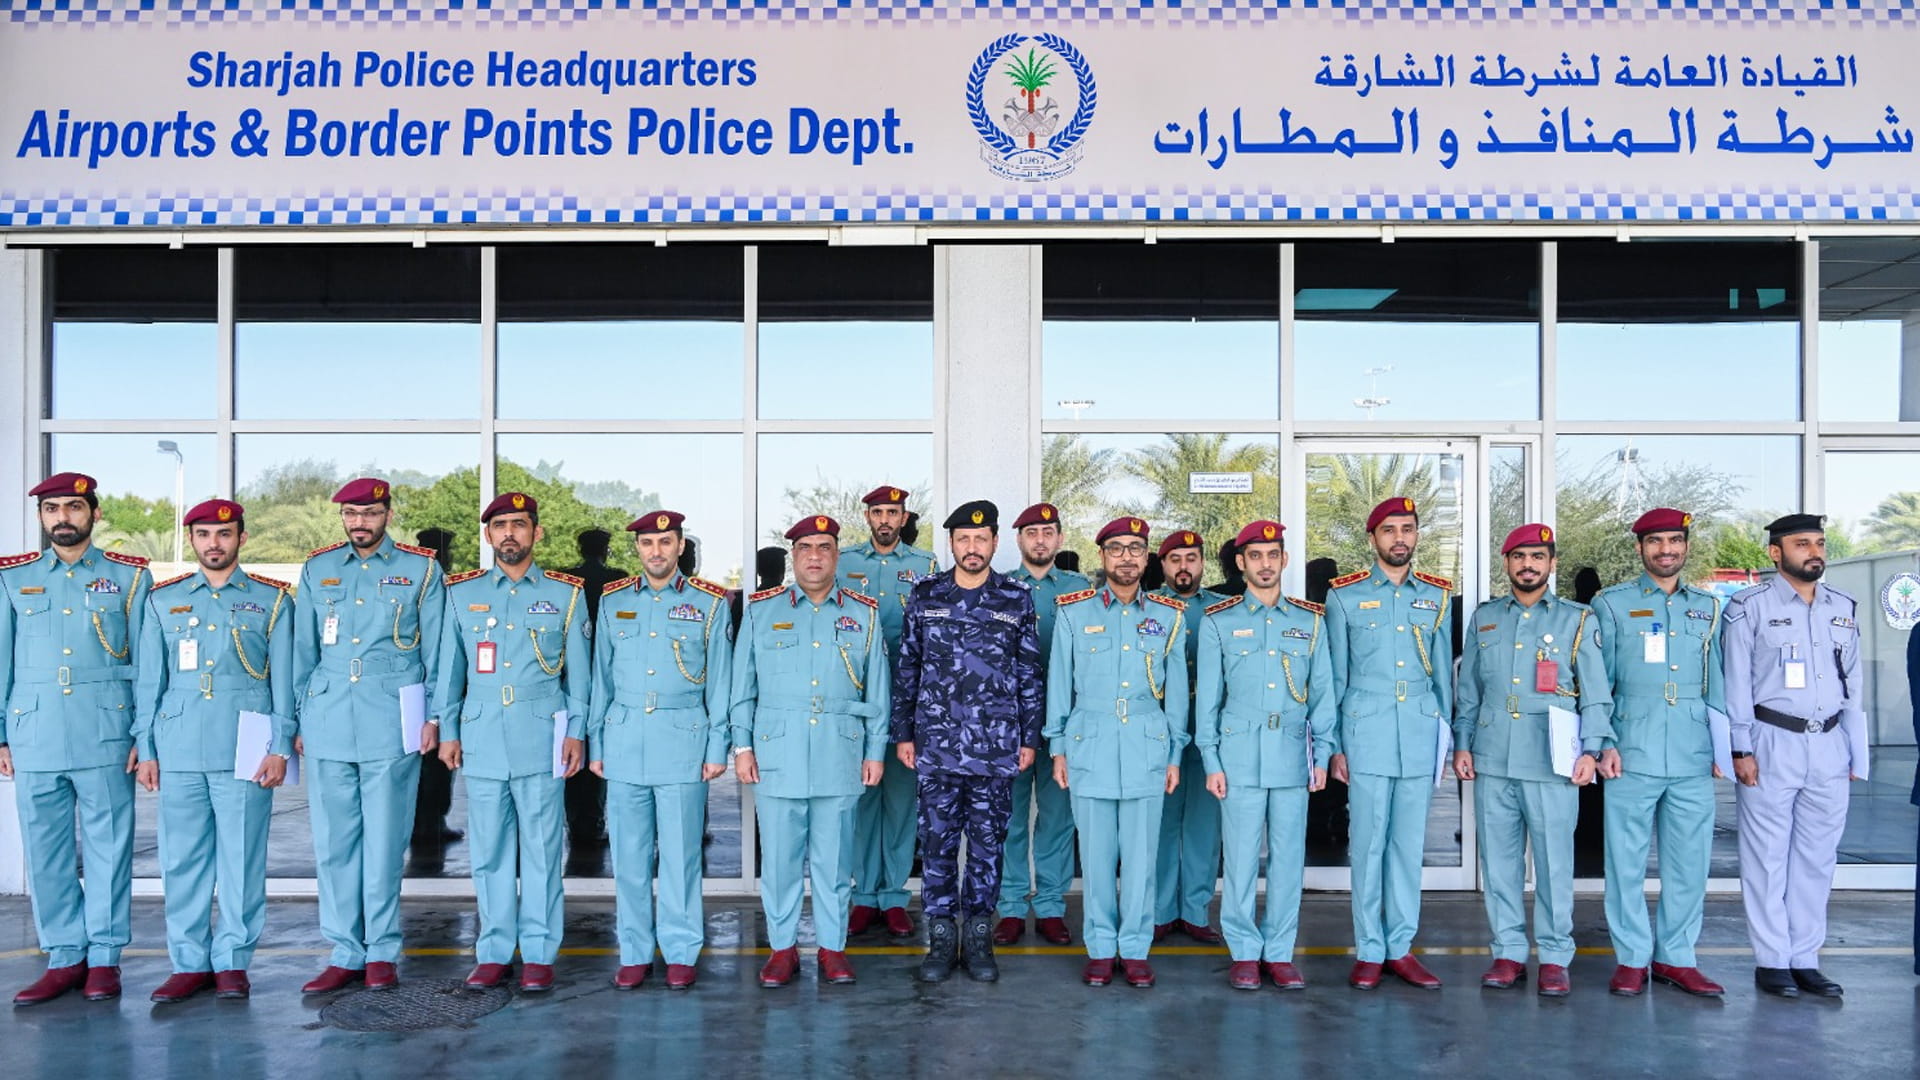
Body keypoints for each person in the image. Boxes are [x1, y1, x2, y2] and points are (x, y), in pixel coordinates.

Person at [132, 499, 293, 1003]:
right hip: (178, 745)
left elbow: (285, 681)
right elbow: (148, 682)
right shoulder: (163, 600)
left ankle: (231, 961)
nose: (213, 544)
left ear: (241, 538)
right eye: (203, 534)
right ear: (192, 540)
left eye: (223, 534)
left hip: (246, 743)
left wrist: (281, 745)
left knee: (242, 860)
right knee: (181, 861)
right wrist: (146, 746)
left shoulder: (272, 601)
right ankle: (188, 962)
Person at [291, 477, 445, 995]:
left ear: (387, 513)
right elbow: (301, 653)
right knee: (334, 845)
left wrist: (436, 716)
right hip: (329, 717)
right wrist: (296, 719)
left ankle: (380, 949)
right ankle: (343, 950)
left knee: (383, 842)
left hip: (391, 718)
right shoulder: (319, 569)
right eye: (352, 515)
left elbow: (439, 650)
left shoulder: (420, 570)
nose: (361, 523)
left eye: (371, 513)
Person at [2, 473, 149, 1006]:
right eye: (51, 509)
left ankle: (105, 958)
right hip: (33, 731)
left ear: (94, 513)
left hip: (105, 730)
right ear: (42, 517)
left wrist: (143, 733)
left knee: (110, 847)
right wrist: (0, 733)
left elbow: (147, 664)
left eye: (73, 507)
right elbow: (1, 661)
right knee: (45, 851)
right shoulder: (13, 579)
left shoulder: (131, 579)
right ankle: (64, 955)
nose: (62, 517)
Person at [434, 492, 588, 993]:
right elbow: (448, 670)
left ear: (536, 533)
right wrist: (449, 730)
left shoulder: (566, 594)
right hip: (480, 734)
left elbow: (580, 677)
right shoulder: (461, 593)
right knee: (490, 852)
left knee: (542, 850)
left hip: (541, 733)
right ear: (488, 535)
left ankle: (540, 951)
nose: (509, 534)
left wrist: (576, 732)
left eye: (519, 525)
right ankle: (495, 950)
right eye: (499, 525)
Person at [1454, 524, 1613, 996]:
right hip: (1493, 758)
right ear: (1506, 563)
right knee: (1499, 866)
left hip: (1552, 762)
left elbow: (1597, 694)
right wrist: (1462, 743)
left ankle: (1555, 954)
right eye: (1520, 556)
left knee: (1553, 864)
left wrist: (1592, 749)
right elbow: (1469, 692)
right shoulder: (1485, 618)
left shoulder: (1576, 619)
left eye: (1538, 557)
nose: (1529, 565)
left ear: (1551, 564)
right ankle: (1507, 952)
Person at [731, 515, 889, 987]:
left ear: (837, 555)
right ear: (793, 555)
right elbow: (744, 686)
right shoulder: (762, 610)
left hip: (840, 753)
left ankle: (832, 947)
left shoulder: (864, 612)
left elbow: (878, 688)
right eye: (805, 547)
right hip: (777, 752)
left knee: (835, 861)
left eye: (824, 546)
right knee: (778, 862)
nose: (815, 555)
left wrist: (876, 749)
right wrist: (741, 745)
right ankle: (782, 949)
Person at [895, 500, 1042, 982]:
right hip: (935, 745)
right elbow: (908, 667)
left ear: (995, 543)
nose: (972, 547)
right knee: (936, 844)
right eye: (963, 539)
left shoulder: (1015, 599)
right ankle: (940, 938)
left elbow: (1028, 673)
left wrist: (1030, 738)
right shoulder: (925, 595)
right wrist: (903, 733)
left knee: (986, 845)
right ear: (952, 544)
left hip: (995, 746)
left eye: (981, 539)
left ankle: (978, 936)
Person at [587, 511, 732, 991]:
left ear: (680, 546)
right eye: (647, 542)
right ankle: (633, 950)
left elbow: (721, 685)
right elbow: (599, 680)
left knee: (681, 856)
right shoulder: (612, 603)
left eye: (665, 542)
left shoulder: (708, 604)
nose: (656, 551)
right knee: (627, 857)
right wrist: (596, 741)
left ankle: (681, 948)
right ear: (637, 549)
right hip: (625, 739)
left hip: (683, 740)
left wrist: (717, 747)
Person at [1044, 517, 1188, 989]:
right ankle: (1102, 947)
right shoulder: (1073, 612)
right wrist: (1058, 746)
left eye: (1136, 548)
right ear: (1102, 556)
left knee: (1143, 857)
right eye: (1117, 548)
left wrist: (1175, 754)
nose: (1126, 556)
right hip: (1090, 743)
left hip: (1147, 744)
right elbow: (1059, 686)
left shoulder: (1168, 616)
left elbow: (1179, 695)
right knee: (1098, 855)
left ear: (1147, 558)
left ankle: (1136, 947)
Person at [1590, 508, 1727, 998]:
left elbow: (1719, 682)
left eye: (1674, 540)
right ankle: (1630, 957)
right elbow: (1598, 681)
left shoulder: (1708, 609)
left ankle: (1677, 957)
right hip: (1631, 749)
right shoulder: (1611, 604)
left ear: (1686, 546)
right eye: (1656, 542)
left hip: (1692, 751)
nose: (1666, 549)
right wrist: (1602, 741)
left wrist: (1725, 747)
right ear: (1640, 548)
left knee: (1689, 863)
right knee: (1625, 862)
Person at [1724, 514, 1862, 999]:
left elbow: (1854, 687)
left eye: (1819, 543)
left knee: (1817, 859)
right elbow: (1736, 682)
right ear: (1775, 553)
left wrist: (1854, 751)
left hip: (1828, 745)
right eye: (1802, 543)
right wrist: (1740, 747)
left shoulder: (1842, 607)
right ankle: (1772, 960)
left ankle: (1805, 957)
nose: (1814, 551)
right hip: (1770, 740)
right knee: (1766, 858)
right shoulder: (1749, 606)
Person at [1194, 521, 1332, 991]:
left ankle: (1279, 950)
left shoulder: (1310, 621)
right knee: (1240, 861)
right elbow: (1207, 700)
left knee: (1290, 859)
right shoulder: (1220, 622)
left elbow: (1323, 696)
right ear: (1241, 563)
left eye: (1273, 555)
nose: (1265, 564)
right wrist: (1211, 760)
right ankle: (1245, 951)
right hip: (1237, 757)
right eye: (1256, 556)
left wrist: (1323, 754)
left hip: (1293, 755)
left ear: (1284, 560)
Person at [1325, 497, 1451, 991]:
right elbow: (1334, 676)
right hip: (1367, 731)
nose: (1400, 537)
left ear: (1417, 535)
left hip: (1419, 731)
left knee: (1406, 847)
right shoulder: (1345, 596)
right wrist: (1333, 744)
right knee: (1368, 844)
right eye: (1390, 529)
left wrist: (1450, 738)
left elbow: (1443, 678)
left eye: (1408, 529)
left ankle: (1400, 946)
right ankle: (1369, 949)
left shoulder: (1437, 596)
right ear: (1372, 537)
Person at [838, 485, 938, 939]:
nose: (884, 518)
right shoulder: (844, 563)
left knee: (900, 800)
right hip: (856, 696)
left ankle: (894, 896)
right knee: (861, 799)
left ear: (903, 518)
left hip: (908, 699)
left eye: (892, 512)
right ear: (868, 516)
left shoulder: (926, 567)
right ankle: (863, 895)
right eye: (877, 511)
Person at [996, 502, 1090, 947]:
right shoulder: (997, 589)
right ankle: (1012, 905)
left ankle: (1051, 904)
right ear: (1019, 540)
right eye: (1031, 532)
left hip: (1064, 722)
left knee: (1057, 817)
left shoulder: (1079, 589)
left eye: (1048, 532)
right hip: (1007, 723)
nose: (1040, 539)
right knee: (1008, 817)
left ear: (1059, 538)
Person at [1151, 530, 1226, 944]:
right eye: (1175, 558)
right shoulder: (1148, 608)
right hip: (1159, 735)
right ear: (1162, 566)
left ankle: (1195, 912)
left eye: (1191, 558)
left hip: (1210, 734)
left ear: (1202, 563)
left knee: (1202, 827)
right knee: (1161, 827)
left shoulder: (1221, 610)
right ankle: (1161, 911)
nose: (1184, 566)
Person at [561, 527, 630, 853]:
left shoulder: (565, 578)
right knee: (597, 752)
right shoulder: (616, 578)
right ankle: (593, 822)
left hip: (570, 675)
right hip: (606, 674)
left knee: (573, 753)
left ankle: (577, 823)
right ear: (605, 549)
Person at [410, 528, 462, 857]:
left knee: (427, 762)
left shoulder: (423, 579)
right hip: (431, 687)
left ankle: (425, 823)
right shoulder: (437, 582)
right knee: (436, 764)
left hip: (416, 687)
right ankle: (430, 823)